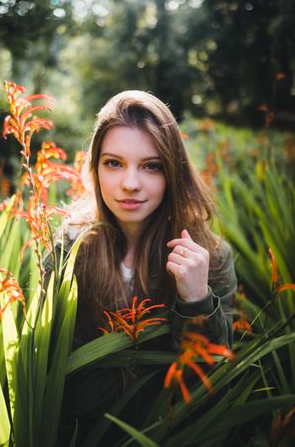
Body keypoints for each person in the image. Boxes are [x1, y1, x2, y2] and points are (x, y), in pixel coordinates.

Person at [46, 90, 237, 444]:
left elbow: (209, 384)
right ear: (95, 168)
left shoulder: (210, 257)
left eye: (151, 166)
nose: (130, 184)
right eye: (114, 163)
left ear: (173, 172)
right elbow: (46, 370)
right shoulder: (69, 249)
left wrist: (196, 300)